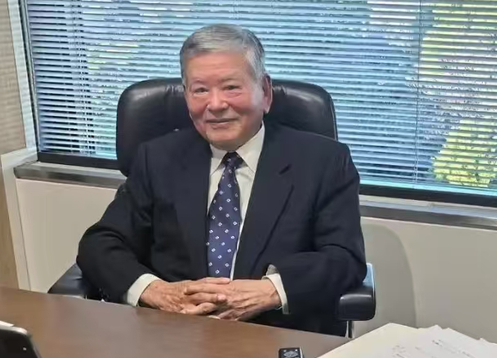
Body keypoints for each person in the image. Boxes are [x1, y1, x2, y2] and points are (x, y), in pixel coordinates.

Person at [77, 24, 366, 335]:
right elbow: (100, 244)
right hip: (173, 332)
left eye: (231, 87)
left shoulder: (323, 161)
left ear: (265, 92)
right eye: (200, 90)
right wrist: (157, 292)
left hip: (275, 334)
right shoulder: (158, 158)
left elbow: (344, 258)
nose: (215, 105)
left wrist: (271, 290)